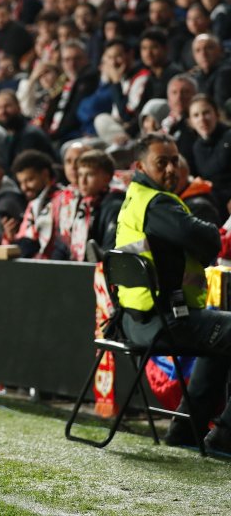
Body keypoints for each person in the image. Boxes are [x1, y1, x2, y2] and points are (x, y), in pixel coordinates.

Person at [114, 133, 231, 455]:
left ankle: (185, 429)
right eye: (161, 162)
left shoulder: (133, 197)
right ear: (140, 165)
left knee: (222, 339)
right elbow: (205, 238)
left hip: (133, 321)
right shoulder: (159, 202)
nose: (170, 168)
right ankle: (225, 435)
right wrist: (207, 230)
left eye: (174, 160)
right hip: (164, 323)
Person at [9, 150, 69, 259]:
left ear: (45, 174)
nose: (24, 187)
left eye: (29, 180)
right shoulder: (34, 203)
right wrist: (10, 238)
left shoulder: (65, 200)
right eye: (21, 182)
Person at [190, 93, 231, 213]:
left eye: (206, 113)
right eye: (196, 115)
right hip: (214, 205)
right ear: (191, 122)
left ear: (216, 114)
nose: (202, 119)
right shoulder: (196, 147)